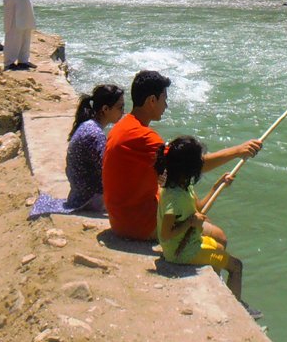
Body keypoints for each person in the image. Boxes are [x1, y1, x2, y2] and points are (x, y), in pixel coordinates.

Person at [102, 70, 261, 242]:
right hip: (137, 224)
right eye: (165, 99)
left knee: (183, 194)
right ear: (152, 101)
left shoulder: (123, 125)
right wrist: (238, 151)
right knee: (219, 238)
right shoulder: (145, 137)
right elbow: (193, 165)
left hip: (120, 217)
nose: (166, 105)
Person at [156, 135, 244, 299]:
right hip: (181, 253)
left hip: (191, 244)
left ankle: (223, 295)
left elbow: (200, 209)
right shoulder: (173, 199)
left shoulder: (183, 185)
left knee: (219, 246)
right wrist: (190, 222)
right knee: (237, 266)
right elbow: (166, 234)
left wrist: (218, 186)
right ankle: (238, 306)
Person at [27, 83, 126, 219]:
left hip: (79, 193)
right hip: (90, 199)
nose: (123, 112)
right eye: (120, 107)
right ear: (105, 109)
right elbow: (108, 173)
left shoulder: (88, 126)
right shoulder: (95, 135)